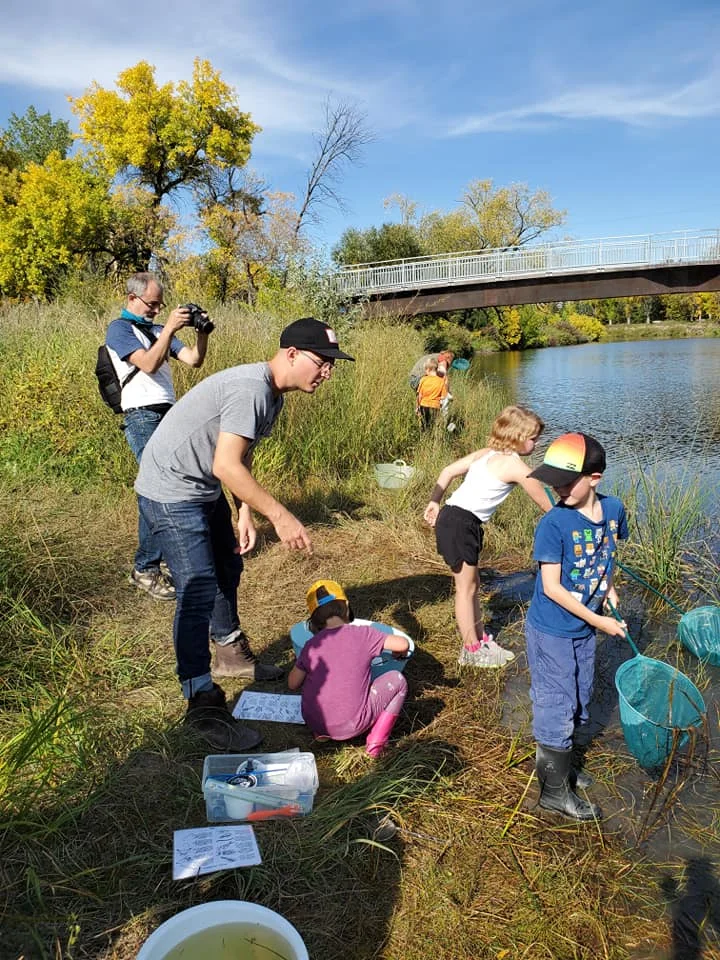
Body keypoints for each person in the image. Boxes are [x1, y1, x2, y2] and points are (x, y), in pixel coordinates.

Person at [134, 317, 355, 751]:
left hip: (203, 484)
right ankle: (202, 702)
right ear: (291, 354)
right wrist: (281, 516)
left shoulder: (273, 398)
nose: (327, 372)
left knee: (228, 564)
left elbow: (238, 458)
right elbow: (225, 466)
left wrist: (245, 513)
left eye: (332, 364)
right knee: (197, 586)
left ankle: (230, 654)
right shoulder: (251, 388)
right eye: (322, 361)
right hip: (170, 488)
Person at [525, 432, 628, 821]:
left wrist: (610, 591)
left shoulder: (614, 509)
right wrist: (599, 619)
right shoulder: (554, 523)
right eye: (553, 481)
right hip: (552, 628)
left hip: (584, 628)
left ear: (595, 478)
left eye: (567, 482)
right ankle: (553, 794)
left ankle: (565, 769)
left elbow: (607, 554)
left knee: (581, 698)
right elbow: (551, 587)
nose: (558, 489)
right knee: (556, 704)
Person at [105, 272, 211, 601]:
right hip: (141, 415)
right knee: (156, 487)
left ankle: (161, 557)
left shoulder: (154, 329)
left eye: (159, 305)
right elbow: (149, 364)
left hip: (168, 413)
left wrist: (202, 333)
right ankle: (145, 568)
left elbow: (194, 360)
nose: (155, 310)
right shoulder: (119, 329)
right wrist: (168, 329)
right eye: (152, 304)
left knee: (171, 483)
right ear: (132, 298)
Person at [423, 405, 549, 668]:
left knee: (473, 584)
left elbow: (447, 471)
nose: (537, 444)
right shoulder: (517, 467)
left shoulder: (486, 453)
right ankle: (471, 650)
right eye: (533, 438)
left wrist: (435, 501)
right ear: (517, 436)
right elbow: (546, 504)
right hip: (461, 524)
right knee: (465, 589)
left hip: (455, 519)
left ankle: (480, 639)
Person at [288, 580, 409, 757]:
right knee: (397, 680)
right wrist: (399, 654)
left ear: (313, 618)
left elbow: (292, 684)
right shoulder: (364, 634)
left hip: (314, 722)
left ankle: (321, 736)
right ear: (346, 606)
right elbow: (402, 644)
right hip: (352, 723)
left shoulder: (311, 645)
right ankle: (377, 743)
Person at [416, 357, 448, 430]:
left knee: (424, 424)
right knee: (433, 424)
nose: (425, 372)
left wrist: (417, 407)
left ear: (428, 369)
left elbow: (420, 395)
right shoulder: (441, 381)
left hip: (424, 405)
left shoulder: (423, 379)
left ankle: (424, 437)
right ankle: (432, 438)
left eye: (425, 370)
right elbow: (443, 397)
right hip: (435, 407)